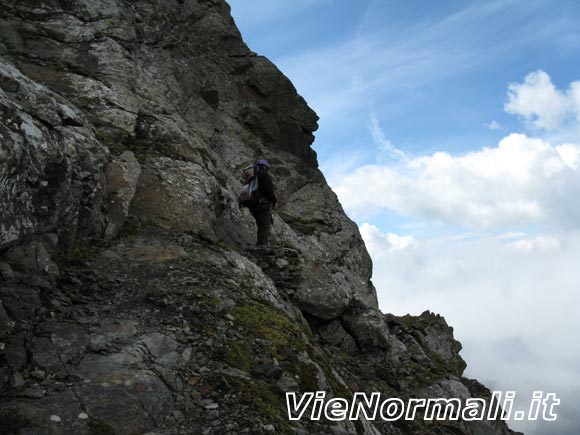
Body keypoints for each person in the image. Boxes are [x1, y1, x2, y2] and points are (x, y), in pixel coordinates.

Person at [249, 159, 277, 246]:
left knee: (261, 225)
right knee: (264, 226)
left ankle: (260, 244)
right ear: (265, 166)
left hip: (252, 204)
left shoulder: (252, 176)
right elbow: (269, 190)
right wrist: (274, 201)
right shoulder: (264, 174)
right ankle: (262, 247)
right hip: (262, 204)